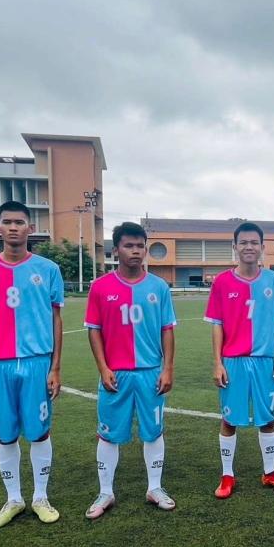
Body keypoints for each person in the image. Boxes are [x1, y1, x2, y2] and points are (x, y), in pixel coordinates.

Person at [0, 200, 64, 528]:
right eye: (7, 222)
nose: (13, 227)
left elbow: (56, 319)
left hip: (37, 363)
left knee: (39, 432)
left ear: (30, 229)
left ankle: (40, 497)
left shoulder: (48, 269)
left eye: (19, 222)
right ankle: (13, 499)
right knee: (5, 435)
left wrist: (55, 367)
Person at [83, 222, 177, 519]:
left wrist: (167, 368)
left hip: (150, 373)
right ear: (116, 250)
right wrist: (103, 368)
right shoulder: (100, 287)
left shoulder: (158, 287)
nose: (135, 251)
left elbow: (167, 330)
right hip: (116, 374)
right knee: (108, 434)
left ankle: (154, 488)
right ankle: (106, 492)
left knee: (153, 431)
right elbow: (94, 330)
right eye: (129, 245)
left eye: (140, 246)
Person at [205, 221, 274, 498]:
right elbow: (217, 324)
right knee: (229, 419)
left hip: (265, 361)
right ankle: (227, 476)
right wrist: (217, 362)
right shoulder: (222, 282)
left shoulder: (273, 280)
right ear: (235, 246)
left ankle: (270, 472)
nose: (249, 247)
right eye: (243, 242)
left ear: (262, 247)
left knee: (267, 418)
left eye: (254, 242)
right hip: (233, 361)